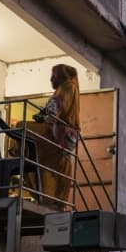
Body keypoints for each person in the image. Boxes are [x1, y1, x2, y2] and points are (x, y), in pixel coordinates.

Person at [10, 64, 80, 207]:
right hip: (62, 135)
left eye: (53, 76)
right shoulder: (70, 88)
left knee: (20, 127)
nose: (50, 79)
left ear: (62, 76)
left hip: (57, 133)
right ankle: (50, 199)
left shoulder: (67, 87)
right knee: (46, 165)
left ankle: (18, 153)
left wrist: (44, 115)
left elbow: (56, 106)